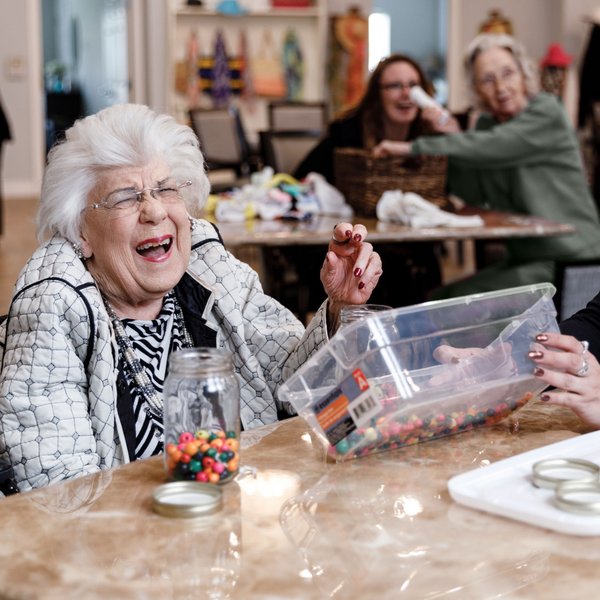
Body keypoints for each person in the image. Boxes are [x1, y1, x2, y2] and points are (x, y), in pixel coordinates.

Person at [0, 103, 382, 494]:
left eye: (165, 189)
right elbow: (59, 491)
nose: (153, 211)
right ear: (81, 231)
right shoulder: (51, 309)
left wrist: (339, 308)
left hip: (242, 520)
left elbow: (290, 384)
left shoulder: (211, 269)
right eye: (124, 198)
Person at [374, 33, 600, 299]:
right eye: (488, 80)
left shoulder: (546, 112)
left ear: (523, 74)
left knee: (444, 305)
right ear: (476, 89)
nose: (501, 87)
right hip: (528, 259)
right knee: (436, 299)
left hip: (575, 259)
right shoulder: (485, 128)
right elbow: (474, 192)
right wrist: (451, 136)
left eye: (508, 73)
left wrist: (414, 147)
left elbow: (497, 145)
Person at [294, 54, 441, 307]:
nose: (406, 94)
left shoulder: (430, 135)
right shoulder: (348, 131)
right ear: (377, 94)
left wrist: (446, 132)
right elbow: (303, 176)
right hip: (354, 239)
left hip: (412, 243)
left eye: (413, 86)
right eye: (395, 86)